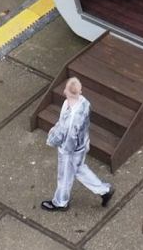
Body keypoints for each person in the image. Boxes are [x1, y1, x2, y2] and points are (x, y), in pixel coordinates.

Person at [41, 77, 113, 212]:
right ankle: (104, 190)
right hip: (81, 145)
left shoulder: (71, 117)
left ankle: (60, 202)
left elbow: (67, 136)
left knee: (64, 176)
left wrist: (54, 141)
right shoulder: (84, 103)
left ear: (67, 92)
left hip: (70, 150)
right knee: (79, 169)